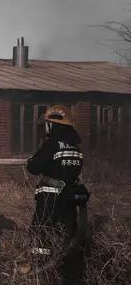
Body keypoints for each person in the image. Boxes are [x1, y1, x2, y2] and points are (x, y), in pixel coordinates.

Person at [26, 105, 87, 255]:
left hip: (50, 196)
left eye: (47, 124)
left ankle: (40, 263)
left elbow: (34, 168)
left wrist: (31, 161)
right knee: (66, 231)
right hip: (70, 196)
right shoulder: (75, 146)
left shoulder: (52, 144)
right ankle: (65, 261)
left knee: (41, 231)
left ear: (52, 124)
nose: (46, 128)